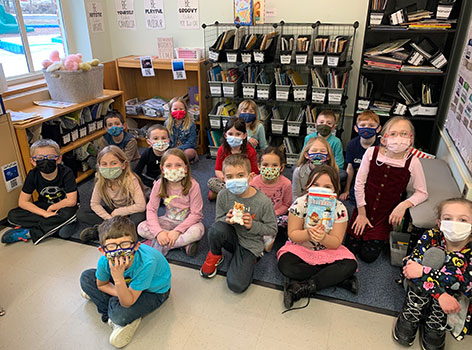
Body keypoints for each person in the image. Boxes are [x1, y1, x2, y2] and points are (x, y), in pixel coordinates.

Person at [346, 116, 428, 263]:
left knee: (368, 257)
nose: (399, 138)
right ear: (383, 139)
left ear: (411, 139)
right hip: (363, 209)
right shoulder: (372, 152)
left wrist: (403, 205)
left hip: (384, 217)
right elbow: (359, 183)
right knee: (350, 249)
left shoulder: (413, 161)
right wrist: (362, 213)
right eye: (393, 133)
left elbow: (422, 192)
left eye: (404, 134)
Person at [80, 216, 171, 348]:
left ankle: (114, 314)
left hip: (153, 291)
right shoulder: (104, 260)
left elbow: (127, 302)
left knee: (119, 314)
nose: (119, 252)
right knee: (86, 278)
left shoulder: (147, 263)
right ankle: (116, 309)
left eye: (125, 244)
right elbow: (101, 284)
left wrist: (118, 280)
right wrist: (121, 290)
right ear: (103, 250)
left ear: (136, 246)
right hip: (127, 287)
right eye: (111, 246)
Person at [393, 198, 472, 350]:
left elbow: (464, 285)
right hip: (422, 289)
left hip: (451, 298)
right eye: (448, 218)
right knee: (434, 255)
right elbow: (409, 269)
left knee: (456, 270)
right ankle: (413, 308)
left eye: (463, 219)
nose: (455, 224)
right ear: (440, 223)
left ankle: (436, 319)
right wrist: (440, 294)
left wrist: (423, 271)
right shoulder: (431, 236)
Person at [278, 165, 357, 310]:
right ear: (308, 186)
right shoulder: (300, 204)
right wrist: (308, 233)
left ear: (335, 189)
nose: (321, 189)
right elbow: (293, 234)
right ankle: (338, 280)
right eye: (316, 185)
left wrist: (323, 238)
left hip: (327, 250)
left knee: (350, 265)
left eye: (327, 186)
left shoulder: (339, 209)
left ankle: (301, 287)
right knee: (285, 264)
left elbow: (336, 242)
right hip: (300, 248)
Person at [200, 154, 277, 293]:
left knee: (236, 285)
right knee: (216, 229)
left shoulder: (263, 202)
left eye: (240, 175)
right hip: (231, 236)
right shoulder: (224, 194)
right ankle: (215, 255)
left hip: (250, 244)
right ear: (223, 178)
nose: (235, 180)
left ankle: (248, 259)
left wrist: (252, 225)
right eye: (230, 177)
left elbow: (272, 229)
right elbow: (218, 220)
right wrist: (227, 219)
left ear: (251, 176)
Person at [2, 139, 78, 244]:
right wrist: (45, 213)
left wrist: (52, 208)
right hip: (44, 205)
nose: (45, 161)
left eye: (50, 157)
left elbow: (71, 201)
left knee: (68, 216)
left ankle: (30, 233)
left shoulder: (66, 172)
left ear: (58, 159)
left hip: (63, 207)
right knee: (12, 215)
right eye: (40, 158)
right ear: (33, 161)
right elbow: (22, 202)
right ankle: (54, 225)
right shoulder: (33, 175)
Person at [137, 148, 204, 257]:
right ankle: (181, 244)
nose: (173, 169)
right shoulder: (159, 184)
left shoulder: (193, 185)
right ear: (162, 169)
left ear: (186, 168)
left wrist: (177, 231)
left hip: (188, 223)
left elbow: (196, 214)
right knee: (141, 228)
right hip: (168, 221)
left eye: (178, 165)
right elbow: (151, 209)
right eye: (168, 166)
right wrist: (159, 232)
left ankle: (161, 243)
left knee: (198, 232)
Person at [78, 145, 146, 242]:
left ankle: (101, 231)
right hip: (112, 211)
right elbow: (94, 204)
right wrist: (109, 218)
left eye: (114, 163)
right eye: (104, 164)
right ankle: (115, 229)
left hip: (131, 211)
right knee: (81, 213)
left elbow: (141, 206)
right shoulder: (100, 181)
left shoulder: (131, 180)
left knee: (138, 221)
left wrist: (119, 212)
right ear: (99, 166)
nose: (108, 167)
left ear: (123, 165)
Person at [250, 146, 292, 252]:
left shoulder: (286, 183)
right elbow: (250, 202)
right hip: (258, 215)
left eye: (274, 165)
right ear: (259, 166)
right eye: (265, 165)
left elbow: (286, 204)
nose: (270, 168)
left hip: (276, 215)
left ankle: (268, 237)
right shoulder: (254, 183)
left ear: (281, 168)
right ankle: (261, 237)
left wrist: (274, 213)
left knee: (286, 221)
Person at [207, 116, 259, 201]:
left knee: (258, 185)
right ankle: (237, 196)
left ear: (245, 135)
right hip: (228, 181)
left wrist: (243, 182)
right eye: (230, 134)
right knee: (212, 182)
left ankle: (227, 196)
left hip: (244, 181)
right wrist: (228, 181)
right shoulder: (222, 149)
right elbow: (218, 170)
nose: (234, 137)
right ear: (225, 135)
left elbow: (255, 173)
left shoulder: (250, 151)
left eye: (238, 134)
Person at [339, 110, 381, 203]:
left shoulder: (381, 146)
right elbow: (350, 169)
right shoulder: (352, 144)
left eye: (371, 125)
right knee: (354, 199)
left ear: (378, 129)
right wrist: (346, 190)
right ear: (356, 128)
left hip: (373, 180)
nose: (366, 128)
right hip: (357, 179)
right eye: (362, 125)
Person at [302, 110, 345, 174]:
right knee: (296, 169)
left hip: (328, 169)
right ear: (316, 125)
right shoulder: (309, 138)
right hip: (311, 166)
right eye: (321, 122)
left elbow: (339, 163)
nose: (325, 125)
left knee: (342, 174)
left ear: (333, 127)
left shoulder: (336, 142)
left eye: (329, 123)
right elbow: (303, 156)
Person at [133, 124, 170, 193]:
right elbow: (137, 172)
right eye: (156, 139)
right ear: (149, 142)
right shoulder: (147, 154)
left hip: (167, 177)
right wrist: (150, 182)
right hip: (151, 178)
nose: (160, 141)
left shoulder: (171, 153)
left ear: (168, 140)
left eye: (163, 138)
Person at [165, 97, 198, 162]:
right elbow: (166, 138)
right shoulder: (167, 123)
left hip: (185, 149)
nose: (178, 111)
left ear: (185, 110)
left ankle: (174, 159)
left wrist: (177, 149)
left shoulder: (190, 124)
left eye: (181, 109)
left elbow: (191, 142)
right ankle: (177, 160)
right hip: (171, 148)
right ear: (170, 111)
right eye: (175, 109)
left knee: (190, 152)